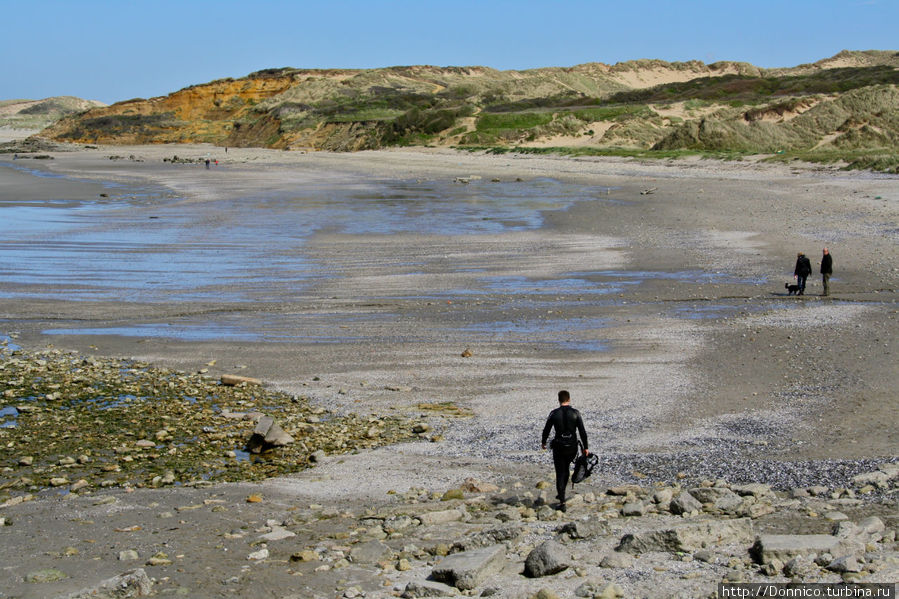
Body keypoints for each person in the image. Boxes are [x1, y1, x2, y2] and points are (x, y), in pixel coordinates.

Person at [541, 390, 589, 512]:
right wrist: (586, 447)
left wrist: (544, 442)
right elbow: (582, 432)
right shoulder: (575, 413)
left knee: (560, 472)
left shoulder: (554, 414)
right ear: (569, 399)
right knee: (566, 469)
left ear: (559, 400)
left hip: (559, 447)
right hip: (572, 447)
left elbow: (546, 429)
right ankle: (562, 492)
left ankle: (562, 500)